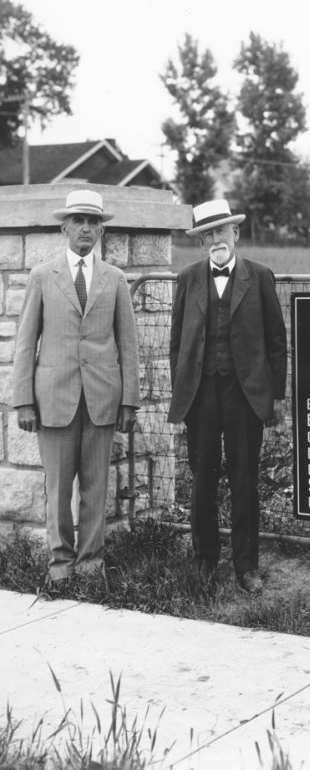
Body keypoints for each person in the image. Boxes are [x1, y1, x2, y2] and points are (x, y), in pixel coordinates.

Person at [13, 189, 140, 586]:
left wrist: (130, 401)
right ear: (64, 226)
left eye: (94, 222)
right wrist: (23, 402)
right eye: (79, 221)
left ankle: (90, 562)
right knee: (57, 486)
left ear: (102, 230)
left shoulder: (115, 279)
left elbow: (128, 345)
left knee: (95, 485)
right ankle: (60, 564)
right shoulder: (41, 276)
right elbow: (25, 342)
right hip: (53, 399)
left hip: (102, 399)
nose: (87, 229)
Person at [168, 199, 287, 594]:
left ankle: (247, 566)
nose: (215, 239)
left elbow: (276, 342)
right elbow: (176, 344)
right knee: (202, 478)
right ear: (201, 241)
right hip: (201, 396)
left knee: (244, 480)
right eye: (208, 234)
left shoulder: (260, 276)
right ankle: (204, 560)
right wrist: (182, 390)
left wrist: (277, 397)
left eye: (222, 230)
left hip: (245, 395)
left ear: (236, 233)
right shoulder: (188, 279)